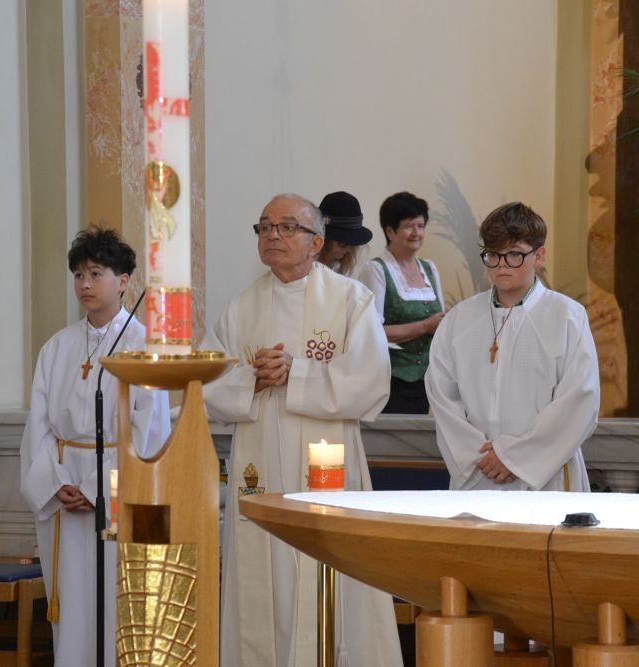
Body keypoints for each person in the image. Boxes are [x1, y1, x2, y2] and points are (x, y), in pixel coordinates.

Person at [202, 193, 403, 667]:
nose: (273, 235)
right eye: (264, 227)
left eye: (287, 227)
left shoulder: (351, 300)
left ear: (316, 242)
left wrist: (298, 373)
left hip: (325, 465)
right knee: (263, 573)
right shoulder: (240, 309)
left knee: (327, 571)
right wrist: (252, 379)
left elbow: (372, 381)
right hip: (260, 466)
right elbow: (208, 384)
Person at [20, 227, 171, 667]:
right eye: (79, 275)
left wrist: (98, 487)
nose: (85, 284)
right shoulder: (57, 347)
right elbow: (38, 425)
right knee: (73, 608)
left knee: (117, 602)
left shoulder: (144, 346)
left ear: (123, 281)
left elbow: (148, 428)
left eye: (96, 273)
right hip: (64, 487)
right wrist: (56, 483)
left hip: (118, 488)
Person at [425, 202, 600, 491]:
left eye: (514, 254)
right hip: (478, 474)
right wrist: (478, 457)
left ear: (539, 256)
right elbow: (441, 395)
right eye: (493, 255)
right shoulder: (460, 319)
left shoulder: (566, 316)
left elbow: (580, 399)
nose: (502, 265)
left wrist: (513, 458)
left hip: (544, 477)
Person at [359, 191, 445, 413]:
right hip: (389, 381)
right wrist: (425, 326)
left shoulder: (430, 268)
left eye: (421, 226)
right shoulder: (376, 270)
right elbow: (371, 332)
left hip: (427, 381)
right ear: (390, 231)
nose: (417, 233)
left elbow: (441, 321)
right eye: (409, 226)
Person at [317, 190, 372, 276]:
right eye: (343, 244)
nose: (348, 249)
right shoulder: (303, 266)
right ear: (324, 240)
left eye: (352, 244)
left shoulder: (345, 267)